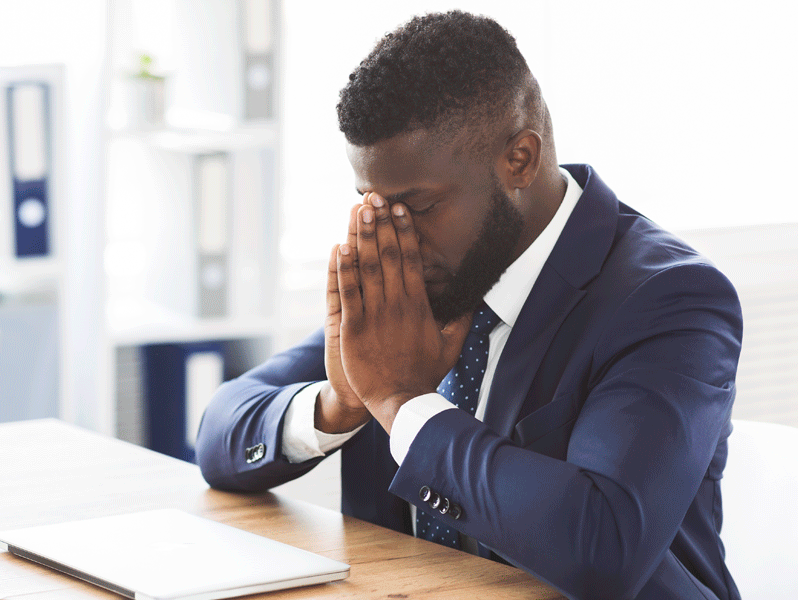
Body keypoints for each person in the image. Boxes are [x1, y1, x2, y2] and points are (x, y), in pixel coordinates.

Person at [194, 11, 741, 600]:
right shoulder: (421, 275)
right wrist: (342, 402)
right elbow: (219, 436)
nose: (394, 234)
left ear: (519, 160)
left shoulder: (671, 301)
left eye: (419, 206)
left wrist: (403, 403)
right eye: (373, 204)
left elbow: (601, 547)